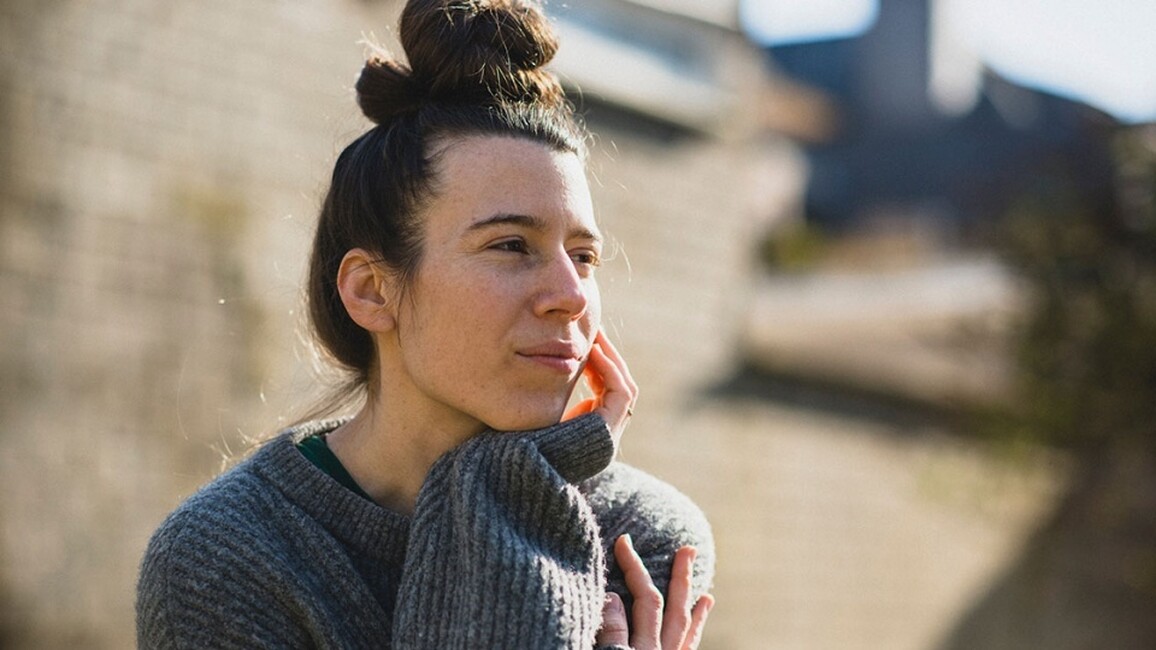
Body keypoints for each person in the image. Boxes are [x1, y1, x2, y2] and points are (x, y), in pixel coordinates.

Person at [135, 0, 715, 647]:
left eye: (584, 256)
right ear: (373, 290)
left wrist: (517, 475)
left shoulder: (639, 534)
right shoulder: (229, 556)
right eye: (511, 246)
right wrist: (512, 482)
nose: (571, 295)